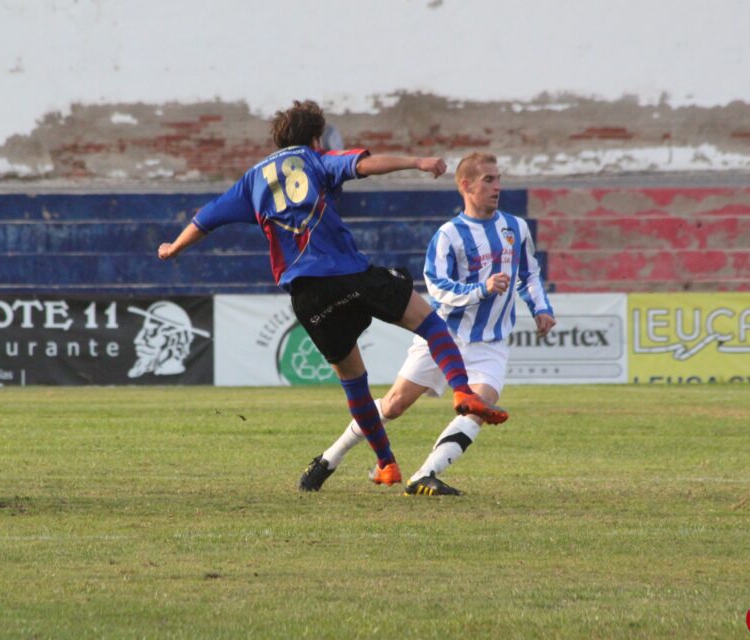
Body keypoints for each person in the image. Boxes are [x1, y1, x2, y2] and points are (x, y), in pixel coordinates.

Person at [158, 100, 508, 490]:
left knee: (354, 381)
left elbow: (205, 219)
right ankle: (463, 391)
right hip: (350, 273)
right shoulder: (315, 159)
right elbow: (363, 165)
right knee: (428, 322)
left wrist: (174, 248)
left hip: (307, 295)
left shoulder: (251, 181)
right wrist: (418, 161)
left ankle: (387, 464)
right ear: (314, 137)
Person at [302, 152, 555, 495]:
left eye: (498, 179)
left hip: (490, 342)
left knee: (478, 408)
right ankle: (329, 459)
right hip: (443, 337)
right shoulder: (449, 235)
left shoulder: (516, 228)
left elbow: (529, 274)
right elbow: (438, 288)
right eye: (489, 180)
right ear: (466, 186)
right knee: (393, 405)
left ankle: (426, 474)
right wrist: (481, 289)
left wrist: (541, 307)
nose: (498, 187)